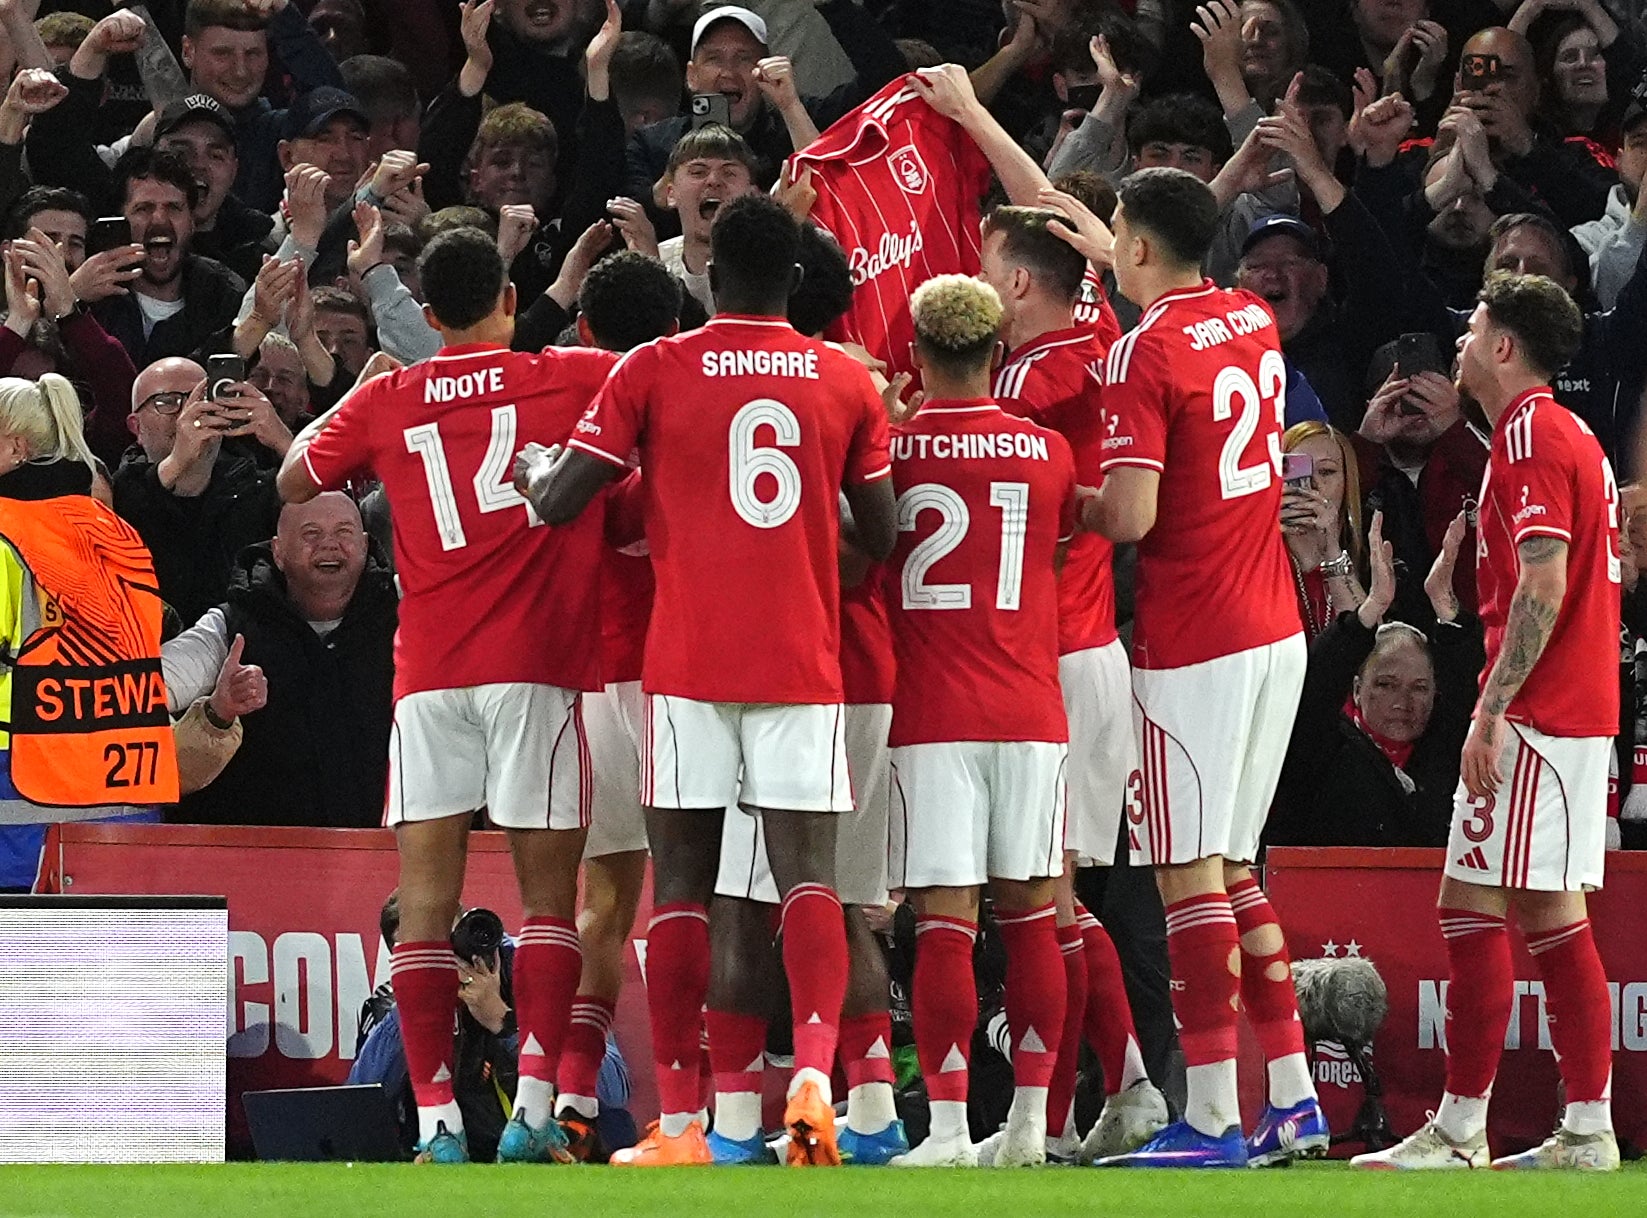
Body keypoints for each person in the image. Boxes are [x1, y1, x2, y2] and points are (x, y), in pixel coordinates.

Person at [514, 194, 897, 1167]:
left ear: (708, 276)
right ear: (797, 281)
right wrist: (810, 551)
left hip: (683, 667)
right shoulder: (842, 380)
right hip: (802, 660)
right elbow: (881, 539)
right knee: (806, 878)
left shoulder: (652, 368)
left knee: (685, 886)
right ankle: (812, 1086)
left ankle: (687, 1123)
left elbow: (564, 503)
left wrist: (529, 473)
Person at [278, 226, 618, 1165]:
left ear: (425, 316)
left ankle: (434, 1126)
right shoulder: (572, 375)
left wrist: (365, 387)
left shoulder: (390, 396)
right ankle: (534, 1106)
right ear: (509, 298)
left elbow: (295, 475)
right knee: (551, 901)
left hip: (429, 675)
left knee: (423, 905)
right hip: (536, 666)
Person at [1078, 167, 1326, 1168]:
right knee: (1233, 870)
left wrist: (1060, 494)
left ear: (1135, 248)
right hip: (1275, 627)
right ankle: (1299, 1100)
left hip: (1198, 638)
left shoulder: (1143, 353)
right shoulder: (1248, 320)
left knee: (1188, 879)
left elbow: (1131, 516)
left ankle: (1215, 1115)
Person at [1354, 272, 1622, 1172]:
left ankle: (1462, 1125)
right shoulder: (1567, 432)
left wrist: (1492, 709)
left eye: (1471, 329)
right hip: (1572, 712)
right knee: (1552, 918)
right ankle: (1584, 1127)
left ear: (1504, 346)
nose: (1460, 344)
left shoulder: (1530, 433)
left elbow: (1546, 581)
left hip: (1539, 717)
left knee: (1470, 907)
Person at [976, 203, 1168, 1165]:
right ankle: (1125, 1082)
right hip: (1084, 657)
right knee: (1053, 899)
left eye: (983, 264)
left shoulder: (1026, 381)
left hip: (1041, 663)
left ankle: (1041, 1124)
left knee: (1036, 899)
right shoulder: (1102, 347)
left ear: (1014, 283)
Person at [878, 274, 1073, 1169]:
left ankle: (951, 1129)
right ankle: (1030, 1124)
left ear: (917, 356)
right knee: (1033, 918)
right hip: (1030, 710)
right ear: (997, 356)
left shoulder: (890, 451)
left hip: (932, 717)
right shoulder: (1044, 453)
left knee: (947, 922)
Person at [0, 372, 178, 882]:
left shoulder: (4, 534)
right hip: (126, 815)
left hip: (19, 822)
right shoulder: (115, 531)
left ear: (14, 447)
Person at [159, 492, 397, 828]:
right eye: (311, 534)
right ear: (278, 552)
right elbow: (142, 688)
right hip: (258, 863)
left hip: (390, 858)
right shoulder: (229, 627)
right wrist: (216, 710)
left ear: (366, 545)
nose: (329, 545)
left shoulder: (412, 615)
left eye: (343, 532)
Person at [1268, 510, 1486, 848]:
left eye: (1420, 687)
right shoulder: (1324, 747)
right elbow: (1313, 691)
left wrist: (1446, 606)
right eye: (1385, 684)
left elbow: (1470, 691)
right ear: (1356, 689)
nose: (1403, 701)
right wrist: (1370, 610)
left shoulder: (1446, 751)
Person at [112, 357, 284, 625]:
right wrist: (179, 461)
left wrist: (282, 439)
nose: (188, 413)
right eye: (168, 402)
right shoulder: (117, 494)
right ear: (136, 427)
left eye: (203, 398)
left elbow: (333, 510)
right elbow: (133, 503)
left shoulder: (255, 486)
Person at [94, 145, 247, 369]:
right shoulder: (92, 296)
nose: (159, 221)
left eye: (174, 208)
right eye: (144, 208)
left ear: (193, 222)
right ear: (120, 220)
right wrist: (72, 300)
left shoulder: (224, 294)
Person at [1280, 421, 1367, 641]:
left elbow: (1364, 645)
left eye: (1326, 471)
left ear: (1347, 482)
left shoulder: (1368, 557)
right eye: (1294, 471)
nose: (1312, 483)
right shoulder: (1255, 554)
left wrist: (1331, 550)